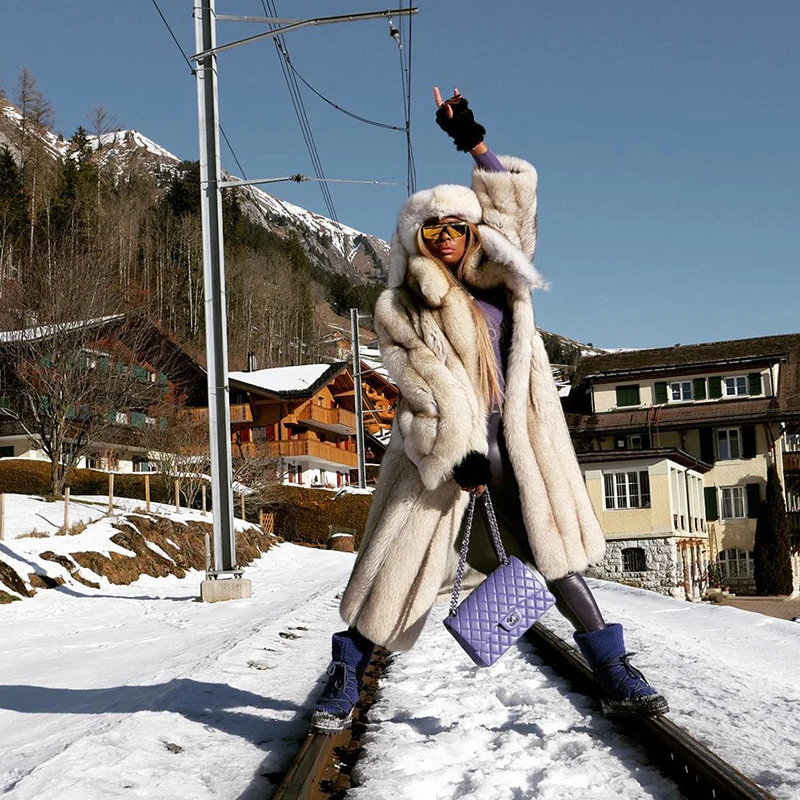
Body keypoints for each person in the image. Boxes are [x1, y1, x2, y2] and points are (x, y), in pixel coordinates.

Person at [311, 87, 668, 734]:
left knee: (553, 556)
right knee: (400, 562)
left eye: (456, 227)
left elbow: (513, 207)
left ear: (472, 232)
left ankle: (615, 671)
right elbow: (420, 385)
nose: (445, 238)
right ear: (414, 238)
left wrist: (474, 140)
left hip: (522, 444)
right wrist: (457, 447)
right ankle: (345, 673)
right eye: (432, 229)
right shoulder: (403, 306)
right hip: (442, 450)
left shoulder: (501, 277)